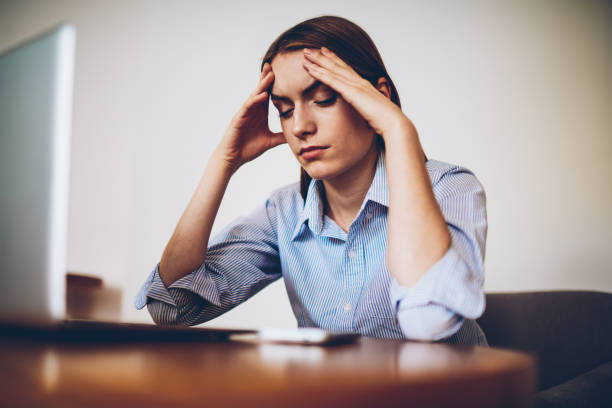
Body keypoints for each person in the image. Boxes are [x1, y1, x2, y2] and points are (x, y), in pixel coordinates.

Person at [135, 15, 488, 345]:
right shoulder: (284, 212)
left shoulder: (449, 188)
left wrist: (397, 129)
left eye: (323, 98)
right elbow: (172, 308)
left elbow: (427, 324)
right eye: (284, 111)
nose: (300, 126)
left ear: (378, 98)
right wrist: (223, 163)